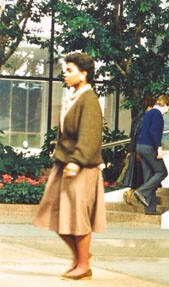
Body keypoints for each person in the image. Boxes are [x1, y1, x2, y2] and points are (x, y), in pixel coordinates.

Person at [33, 53, 106, 280]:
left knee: (77, 218)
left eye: (71, 70)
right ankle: (82, 258)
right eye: (66, 70)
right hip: (63, 163)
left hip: (81, 166)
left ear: (84, 74)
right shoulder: (72, 98)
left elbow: (90, 135)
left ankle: (83, 266)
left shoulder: (89, 99)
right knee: (52, 214)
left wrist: (76, 161)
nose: (65, 74)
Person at [133, 95, 169, 215]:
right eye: (168, 108)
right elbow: (154, 131)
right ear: (165, 104)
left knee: (149, 177)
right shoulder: (157, 114)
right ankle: (141, 191)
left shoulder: (149, 113)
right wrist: (159, 148)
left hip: (141, 146)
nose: (167, 111)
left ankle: (150, 208)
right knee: (162, 172)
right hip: (148, 147)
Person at [122, 96, 156, 205]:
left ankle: (132, 193)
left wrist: (131, 150)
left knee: (139, 177)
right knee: (146, 177)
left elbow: (133, 135)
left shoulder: (139, 117)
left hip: (137, 151)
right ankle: (132, 194)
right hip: (143, 151)